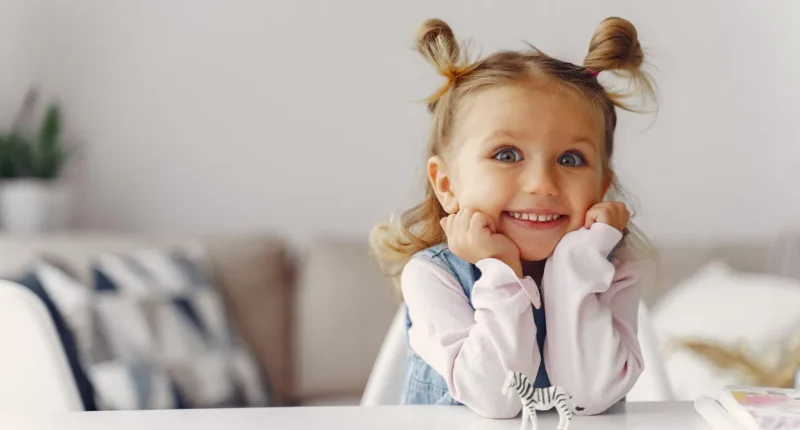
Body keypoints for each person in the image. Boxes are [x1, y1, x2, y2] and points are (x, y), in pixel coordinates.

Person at [370, 16, 657, 418]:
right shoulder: (432, 277)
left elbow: (588, 396)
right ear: (447, 184)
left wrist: (573, 269)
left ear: (599, 186)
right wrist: (500, 269)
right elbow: (499, 399)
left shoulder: (611, 270)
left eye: (571, 159)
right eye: (506, 155)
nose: (542, 183)